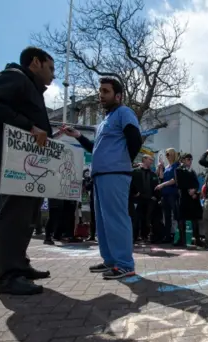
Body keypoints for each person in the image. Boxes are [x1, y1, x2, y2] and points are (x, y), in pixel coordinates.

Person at [0, 46, 55, 295]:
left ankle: (20, 265)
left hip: (30, 165)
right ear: (35, 62)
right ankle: (8, 276)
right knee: (13, 217)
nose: (53, 75)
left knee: (26, 219)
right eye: (50, 68)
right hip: (14, 163)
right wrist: (28, 126)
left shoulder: (30, 87)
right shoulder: (16, 77)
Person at [62, 77, 142, 279]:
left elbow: (135, 138)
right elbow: (95, 149)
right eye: (100, 91)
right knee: (104, 221)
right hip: (100, 176)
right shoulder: (104, 122)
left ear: (118, 96)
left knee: (116, 219)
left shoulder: (124, 112)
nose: (101, 95)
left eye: (105, 91)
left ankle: (125, 264)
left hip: (115, 174)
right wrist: (78, 136)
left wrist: (123, 161)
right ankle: (111, 261)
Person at [175, 153, 203, 247]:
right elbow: (180, 183)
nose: (190, 161)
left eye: (191, 159)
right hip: (184, 196)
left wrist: (194, 191)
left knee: (195, 218)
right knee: (181, 218)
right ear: (183, 160)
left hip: (193, 198)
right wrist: (189, 190)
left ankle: (197, 239)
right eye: (188, 159)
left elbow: (196, 183)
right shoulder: (179, 170)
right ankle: (182, 239)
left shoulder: (192, 171)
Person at [131, 154, 159, 242]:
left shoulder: (153, 174)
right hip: (138, 199)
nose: (151, 161)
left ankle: (145, 236)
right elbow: (131, 184)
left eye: (152, 160)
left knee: (147, 219)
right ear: (144, 159)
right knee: (136, 218)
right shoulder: (135, 172)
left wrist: (155, 196)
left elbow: (156, 186)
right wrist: (135, 193)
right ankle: (134, 237)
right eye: (150, 159)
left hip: (149, 199)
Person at [155, 148, 181, 243]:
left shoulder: (176, 165)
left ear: (173, 155)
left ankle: (179, 236)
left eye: (168, 154)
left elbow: (174, 180)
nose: (167, 156)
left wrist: (162, 185)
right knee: (167, 216)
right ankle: (167, 236)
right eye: (166, 155)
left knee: (176, 215)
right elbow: (161, 177)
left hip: (173, 193)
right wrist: (161, 168)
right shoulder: (167, 167)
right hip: (165, 194)